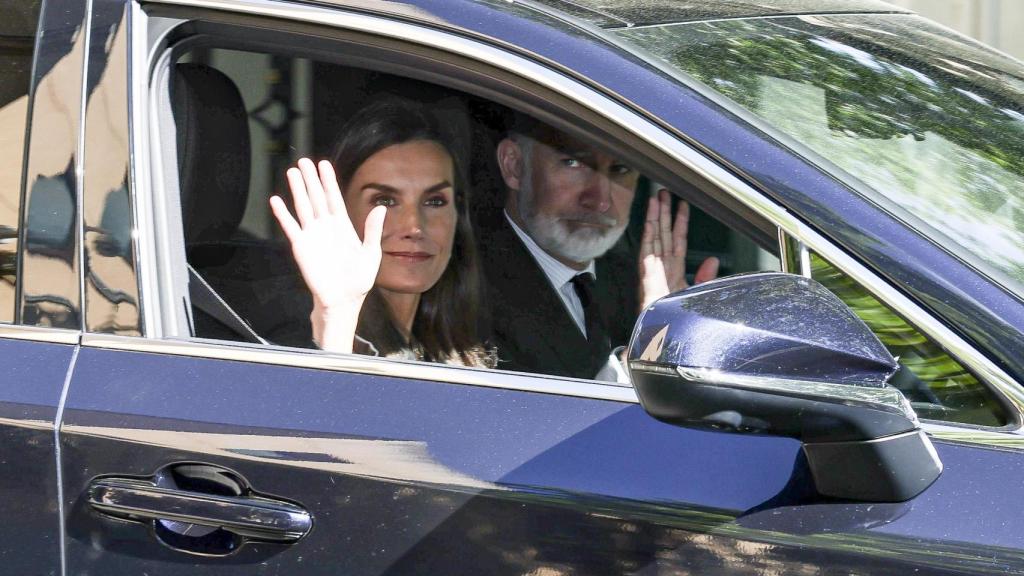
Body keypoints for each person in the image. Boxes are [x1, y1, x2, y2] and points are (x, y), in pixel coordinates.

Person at [479, 119, 719, 379]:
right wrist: (648, 350)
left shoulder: (639, 284)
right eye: (573, 162)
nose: (601, 201)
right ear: (514, 165)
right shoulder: (460, 290)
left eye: (620, 168)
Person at [271, 99, 492, 367]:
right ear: (338, 210)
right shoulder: (290, 337)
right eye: (384, 201)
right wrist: (337, 321)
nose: (414, 227)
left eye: (435, 201)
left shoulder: (464, 350)